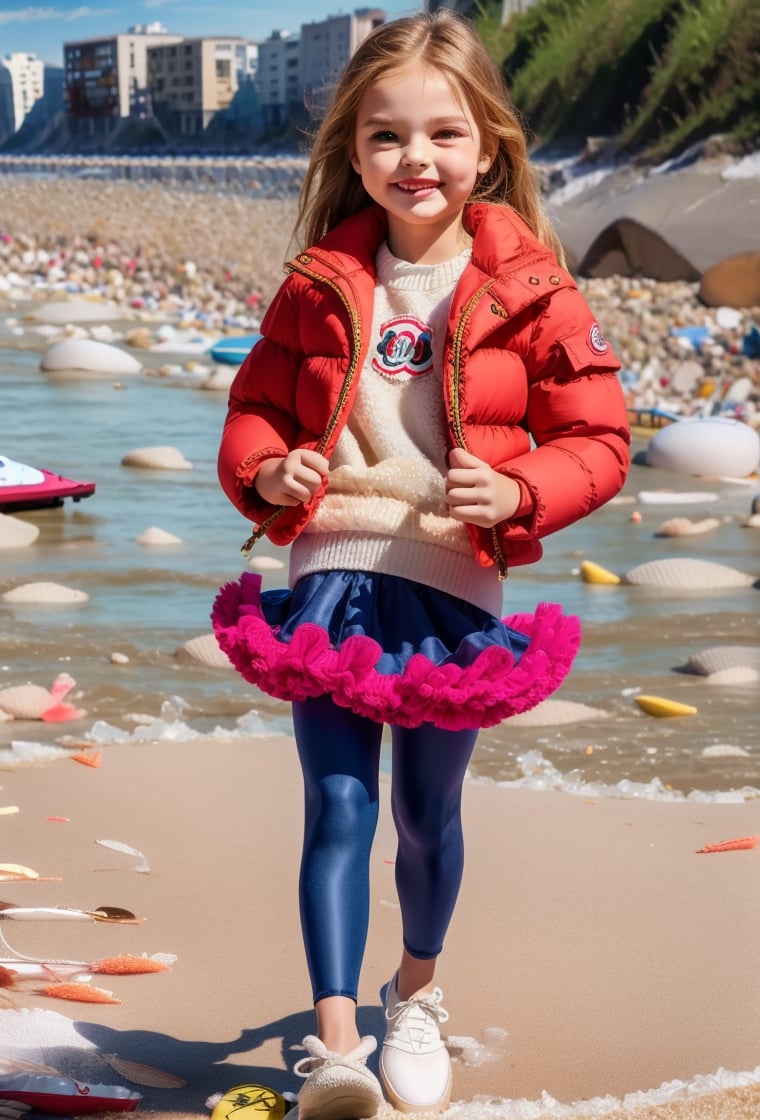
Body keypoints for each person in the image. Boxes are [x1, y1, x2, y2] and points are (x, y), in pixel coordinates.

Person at [213, 9, 630, 1119]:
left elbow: (601, 439)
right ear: (352, 151)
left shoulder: (531, 288)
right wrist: (269, 475)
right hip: (331, 568)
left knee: (426, 817)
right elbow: (252, 410)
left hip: (451, 582)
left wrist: (523, 489)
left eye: (443, 135)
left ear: (486, 146)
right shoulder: (318, 281)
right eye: (387, 137)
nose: (416, 160)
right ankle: (337, 1042)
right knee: (338, 802)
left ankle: (416, 992)